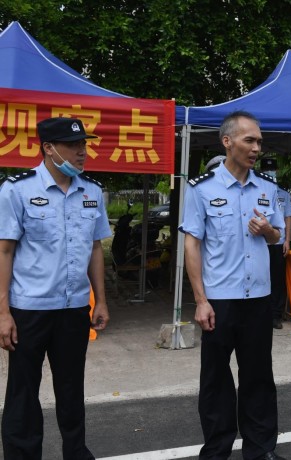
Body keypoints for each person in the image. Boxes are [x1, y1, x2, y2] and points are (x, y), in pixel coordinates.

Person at [0, 117, 111, 459]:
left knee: (71, 388)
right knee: (23, 391)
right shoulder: (16, 189)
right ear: (48, 148)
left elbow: (95, 248)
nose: (82, 151)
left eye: (84, 144)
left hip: (74, 308)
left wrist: (101, 301)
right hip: (28, 309)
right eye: (73, 145)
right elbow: (4, 251)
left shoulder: (91, 191)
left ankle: (76, 451)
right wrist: (2, 312)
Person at [181, 111, 287, 460]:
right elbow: (192, 245)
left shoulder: (268, 189)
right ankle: (216, 450)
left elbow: (277, 238)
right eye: (249, 140)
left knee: (258, 377)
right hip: (220, 301)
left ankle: (260, 450)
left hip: (257, 300)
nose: (256, 147)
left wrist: (269, 231)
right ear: (227, 142)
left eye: (259, 141)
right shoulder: (201, 190)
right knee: (215, 381)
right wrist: (200, 300)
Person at [259, 157, 291, 329]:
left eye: (272, 169)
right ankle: (260, 313)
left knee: (277, 280)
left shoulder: (284, 194)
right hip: (259, 243)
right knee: (260, 278)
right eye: (266, 170)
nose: (269, 172)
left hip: (278, 242)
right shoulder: (256, 190)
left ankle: (276, 315)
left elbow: (287, 218)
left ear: (277, 171)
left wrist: (287, 240)